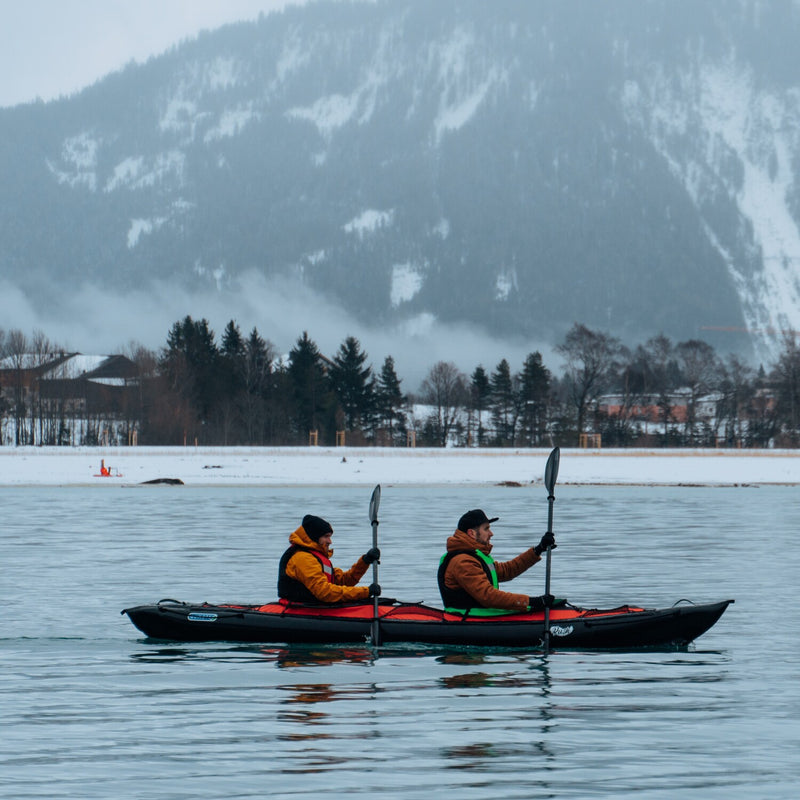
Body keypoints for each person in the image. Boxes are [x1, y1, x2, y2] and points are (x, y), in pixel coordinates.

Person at [437, 508, 559, 614]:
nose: (491, 534)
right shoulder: (463, 562)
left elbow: (507, 570)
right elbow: (488, 596)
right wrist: (531, 601)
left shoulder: (475, 557)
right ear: (472, 533)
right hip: (467, 617)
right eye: (486, 529)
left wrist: (538, 550)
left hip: (481, 614)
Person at [278, 514, 381, 604]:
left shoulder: (315, 557)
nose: (330, 541)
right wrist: (366, 592)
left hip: (315, 606)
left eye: (330, 537)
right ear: (314, 537)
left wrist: (365, 561)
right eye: (326, 537)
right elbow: (324, 592)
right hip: (301, 609)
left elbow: (343, 581)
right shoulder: (303, 558)